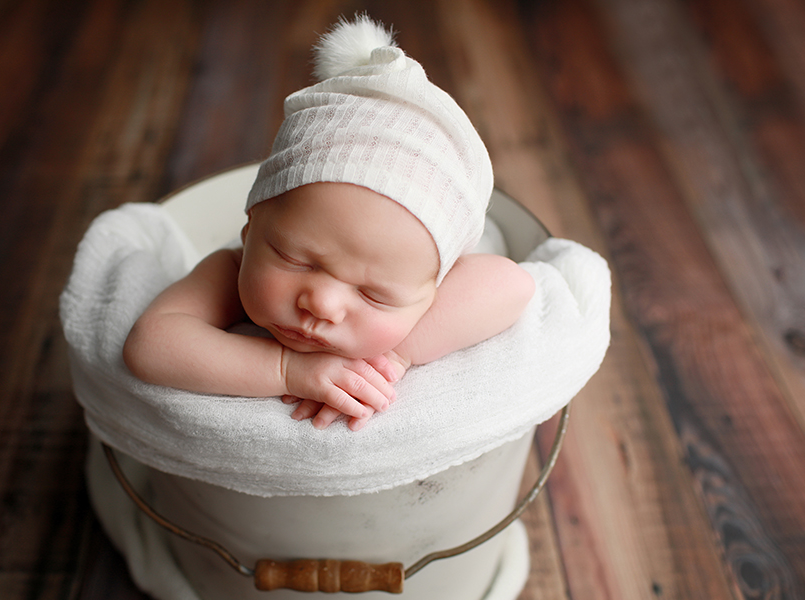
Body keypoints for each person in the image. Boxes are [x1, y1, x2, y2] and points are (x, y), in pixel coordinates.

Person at [123, 15, 535, 431]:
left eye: (374, 295)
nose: (322, 304)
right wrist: (286, 370)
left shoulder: (418, 274)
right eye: (297, 260)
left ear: (433, 292)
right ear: (250, 230)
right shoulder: (231, 270)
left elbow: (514, 284)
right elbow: (150, 346)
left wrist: (392, 355)